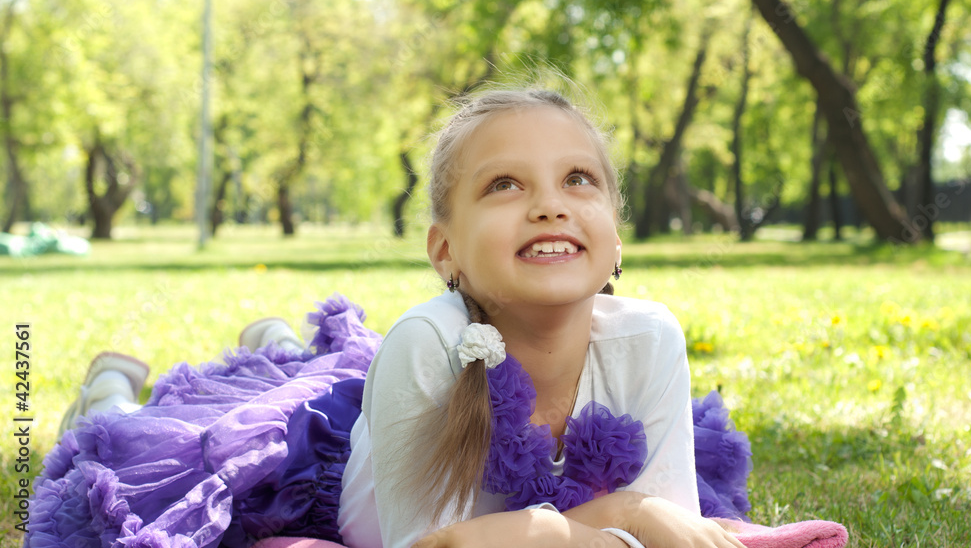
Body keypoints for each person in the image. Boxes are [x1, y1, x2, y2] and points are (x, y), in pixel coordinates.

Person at [29, 88, 752, 548]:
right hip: (345, 469)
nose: (549, 204)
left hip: (398, 403)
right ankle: (108, 394)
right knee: (190, 443)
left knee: (312, 368)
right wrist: (621, 515)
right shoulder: (426, 346)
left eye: (578, 180)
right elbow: (435, 545)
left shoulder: (649, 337)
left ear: (617, 236)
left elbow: (676, 528)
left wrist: (637, 516)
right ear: (446, 252)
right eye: (505, 184)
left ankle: (277, 340)